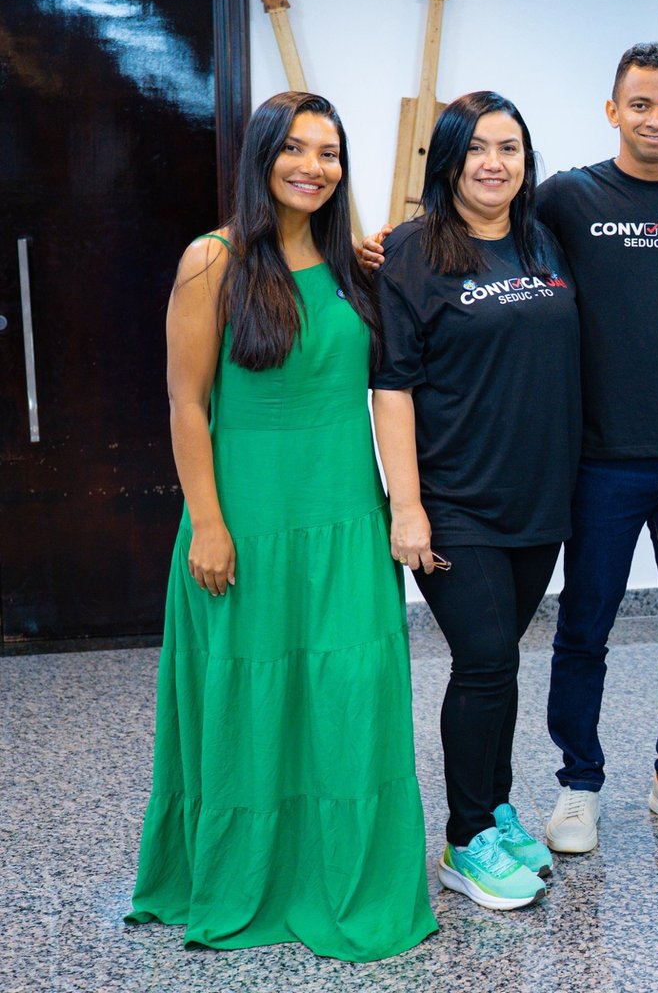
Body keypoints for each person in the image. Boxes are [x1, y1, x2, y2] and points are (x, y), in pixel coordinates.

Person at [127, 92, 437, 960]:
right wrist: (207, 524)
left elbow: (390, 385)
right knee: (250, 705)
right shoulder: (212, 260)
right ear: (261, 157)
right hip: (248, 524)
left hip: (344, 521)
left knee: (349, 699)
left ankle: (347, 880)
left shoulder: (351, 265)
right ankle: (245, 878)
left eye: (329, 153)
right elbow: (186, 405)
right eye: (295, 149)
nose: (313, 167)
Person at [372, 91, 581, 910]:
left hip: (538, 495)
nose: (495, 163)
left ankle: (494, 810)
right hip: (455, 499)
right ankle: (465, 841)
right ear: (449, 159)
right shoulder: (411, 250)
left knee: (502, 661)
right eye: (478, 148)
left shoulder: (540, 237)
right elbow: (392, 386)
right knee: (485, 659)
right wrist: (407, 506)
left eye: (510, 147)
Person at [535, 43, 658, 852]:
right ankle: (579, 784)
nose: (656, 119)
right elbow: (492, 244)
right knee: (585, 625)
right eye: (641, 104)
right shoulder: (566, 197)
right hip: (601, 456)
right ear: (613, 110)